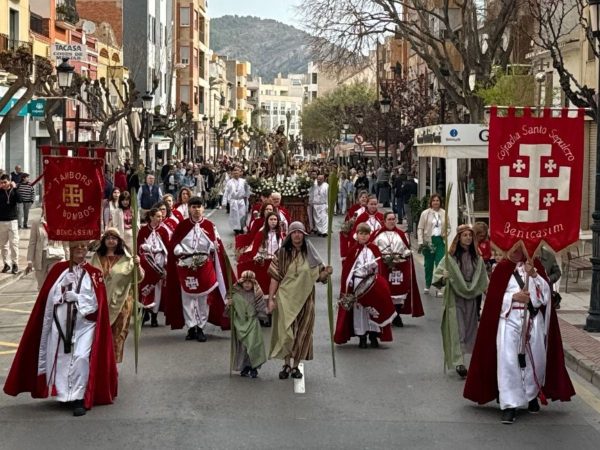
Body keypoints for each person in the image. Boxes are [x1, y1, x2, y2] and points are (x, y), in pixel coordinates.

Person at [3, 241, 118, 416]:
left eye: (83, 248)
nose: (80, 251)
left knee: (80, 357)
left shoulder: (95, 273)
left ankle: (79, 397)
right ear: (70, 250)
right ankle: (67, 395)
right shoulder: (58, 270)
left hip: (85, 325)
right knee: (63, 359)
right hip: (61, 323)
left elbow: (97, 303)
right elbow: (48, 298)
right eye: (76, 248)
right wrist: (62, 291)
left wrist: (78, 298)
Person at [464, 245, 575, 424]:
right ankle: (510, 404)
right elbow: (493, 299)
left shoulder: (535, 266)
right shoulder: (501, 268)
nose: (516, 252)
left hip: (533, 321)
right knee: (508, 362)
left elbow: (546, 295)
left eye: (520, 248)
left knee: (535, 361)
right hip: (509, 321)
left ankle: (531, 396)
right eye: (513, 248)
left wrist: (535, 276)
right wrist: (513, 298)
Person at [268, 221, 332, 379]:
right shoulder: (281, 253)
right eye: (294, 232)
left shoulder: (311, 254)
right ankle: (286, 364)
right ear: (289, 235)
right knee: (286, 332)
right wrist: (271, 299)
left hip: (306, 298)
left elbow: (320, 277)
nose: (297, 235)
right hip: (285, 299)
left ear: (304, 235)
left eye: (300, 232)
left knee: (302, 332)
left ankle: (295, 365)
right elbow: (275, 278)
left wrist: (327, 272)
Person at [166, 196, 233, 341]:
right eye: (193, 207)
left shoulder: (210, 225)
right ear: (189, 209)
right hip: (186, 266)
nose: (196, 210)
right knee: (187, 297)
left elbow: (217, 246)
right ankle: (191, 327)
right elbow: (174, 243)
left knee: (203, 298)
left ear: (203, 208)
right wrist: (178, 249)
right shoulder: (182, 226)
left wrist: (214, 247)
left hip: (204, 265)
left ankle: (201, 327)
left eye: (199, 207)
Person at [432, 224, 488, 378]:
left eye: (470, 235)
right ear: (459, 238)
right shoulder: (450, 258)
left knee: (471, 328)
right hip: (455, 297)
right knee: (458, 328)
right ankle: (459, 362)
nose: (468, 238)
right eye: (465, 235)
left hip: (471, 297)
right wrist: (443, 276)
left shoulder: (477, 257)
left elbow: (483, 278)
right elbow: (437, 278)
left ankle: (471, 360)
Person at [334, 223, 397, 348]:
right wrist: (350, 284)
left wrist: (375, 270)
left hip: (372, 284)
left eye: (366, 234)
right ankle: (362, 337)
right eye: (361, 234)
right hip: (358, 284)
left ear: (369, 235)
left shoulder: (374, 249)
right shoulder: (353, 250)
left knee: (373, 310)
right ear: (356, 235)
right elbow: (348, 271)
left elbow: (379, 269)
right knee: (360, 311)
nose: (363, 237)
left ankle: (374, 336)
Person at [91, 228, 142, 363]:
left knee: (117, 334)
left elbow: (138, 278)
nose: (111, 241)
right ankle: (102, 363)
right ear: (104, 241)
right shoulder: (96, 257)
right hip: (100, 302)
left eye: (114, 238)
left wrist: (138, 265)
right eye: (108, 238)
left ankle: (113, 365)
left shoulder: (127, 258)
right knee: (101, 334)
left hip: (121, 303)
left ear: (119, 241)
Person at [371, 212, 424, 327]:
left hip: (399, 268)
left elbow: (406, 249)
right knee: (385, 292)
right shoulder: (377, 234)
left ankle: (397, 314)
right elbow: (372, 250)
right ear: (384, 221)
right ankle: (388, 315)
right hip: (384, 268)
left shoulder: (401, 234)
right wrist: (383, 258)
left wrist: (405, 254)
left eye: (393, 219)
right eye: (389, 219)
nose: (391, 221)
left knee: (399, 293)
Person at [228, 270, 269, 378]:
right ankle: (245, 366)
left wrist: (264, 314)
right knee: (243, 347)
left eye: (249, 282)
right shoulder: (235, 294)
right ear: (241, 282)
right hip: (240, 323)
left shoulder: (257, 293)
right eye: (245, 282)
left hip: (252, 323)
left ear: (253, 283)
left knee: (253, 345)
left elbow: (261, 307)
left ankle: (254, 367)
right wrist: (230, 304)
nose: (247, 284)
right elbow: (229, 311)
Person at [138, 207, 169, 327]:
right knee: (145, 287)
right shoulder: (144, 230)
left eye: (161, 216)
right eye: (157, 216)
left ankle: (154, 316)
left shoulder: (164, 231)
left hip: (159, 263)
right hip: (146, 263)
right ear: (151, 217)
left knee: (157, 289)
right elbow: (138, 247)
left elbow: (167, 248)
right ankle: (144, 312)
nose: (160, 219)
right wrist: (144, 248)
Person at [26, 208, 70, 289]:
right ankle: (43, 301)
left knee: (55, 285)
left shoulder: (61, 222)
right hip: (40, 258)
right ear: (44, 209)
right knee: (42, 286)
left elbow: (66, 243)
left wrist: (68, 260)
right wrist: (30, 260)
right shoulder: (37, 223)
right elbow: (32, 242)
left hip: (57, 256)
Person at [417, 194, 447, 296]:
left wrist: (445, 234)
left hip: (440, 241)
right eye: (434, 200)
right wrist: (421, 242)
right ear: (431, 202)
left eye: (437, 200)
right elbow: (420, 228)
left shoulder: (444, 213)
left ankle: (439, 287)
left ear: (440, 202)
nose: (435, 202)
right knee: (428, 265)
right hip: (428, 240)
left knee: (440, 264)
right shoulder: (425, 213)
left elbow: (449, 227)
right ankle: (427, 284)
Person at [0, 174, 20, 274]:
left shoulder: (14, 191)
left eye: (5, 182)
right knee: (3, 245)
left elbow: (20, 200)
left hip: (12, 221)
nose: (3, 184)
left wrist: (15, 188)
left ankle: (15, 264)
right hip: (1, 221)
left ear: (9, 181)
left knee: (14, 243)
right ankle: (6, 264)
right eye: (1, 182)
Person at [222, 166, 250, 235]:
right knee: (235, 215)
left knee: (242, 214)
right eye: (234, 173)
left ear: (240, 173)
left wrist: (247, 197)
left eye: (237, 173)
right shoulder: (229, 182)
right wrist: (224, 202)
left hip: (241, 200)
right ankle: (236, 229)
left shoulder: (244, 181)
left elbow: (247, 190)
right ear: (232, 174)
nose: (236, 174)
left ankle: (241, 228)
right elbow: (226, 192)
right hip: (233, 201)